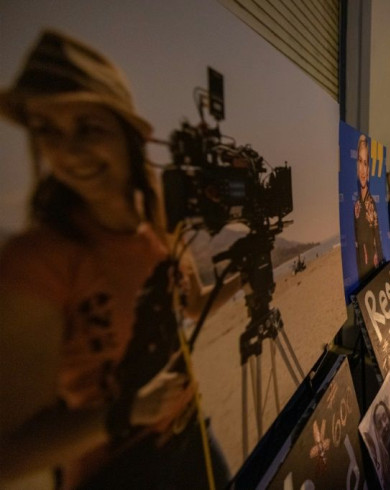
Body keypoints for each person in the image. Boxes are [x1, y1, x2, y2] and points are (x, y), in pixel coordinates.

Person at [0, 30, 233, 488]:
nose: (67, 151)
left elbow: (188, 306)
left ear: (128, 137)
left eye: (88, 128)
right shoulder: (39, 260)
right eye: (48, 129)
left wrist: (244, 272)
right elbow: (9, 454)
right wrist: (129, 410)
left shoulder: (156, 224)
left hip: (193, 439)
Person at [354, 134, 383, 281]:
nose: (363, 169)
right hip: (361, 265)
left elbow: (377, 236)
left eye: (366, 163)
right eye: (360, 161)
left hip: (374, 264)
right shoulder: (356, 205)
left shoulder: (372, 203)